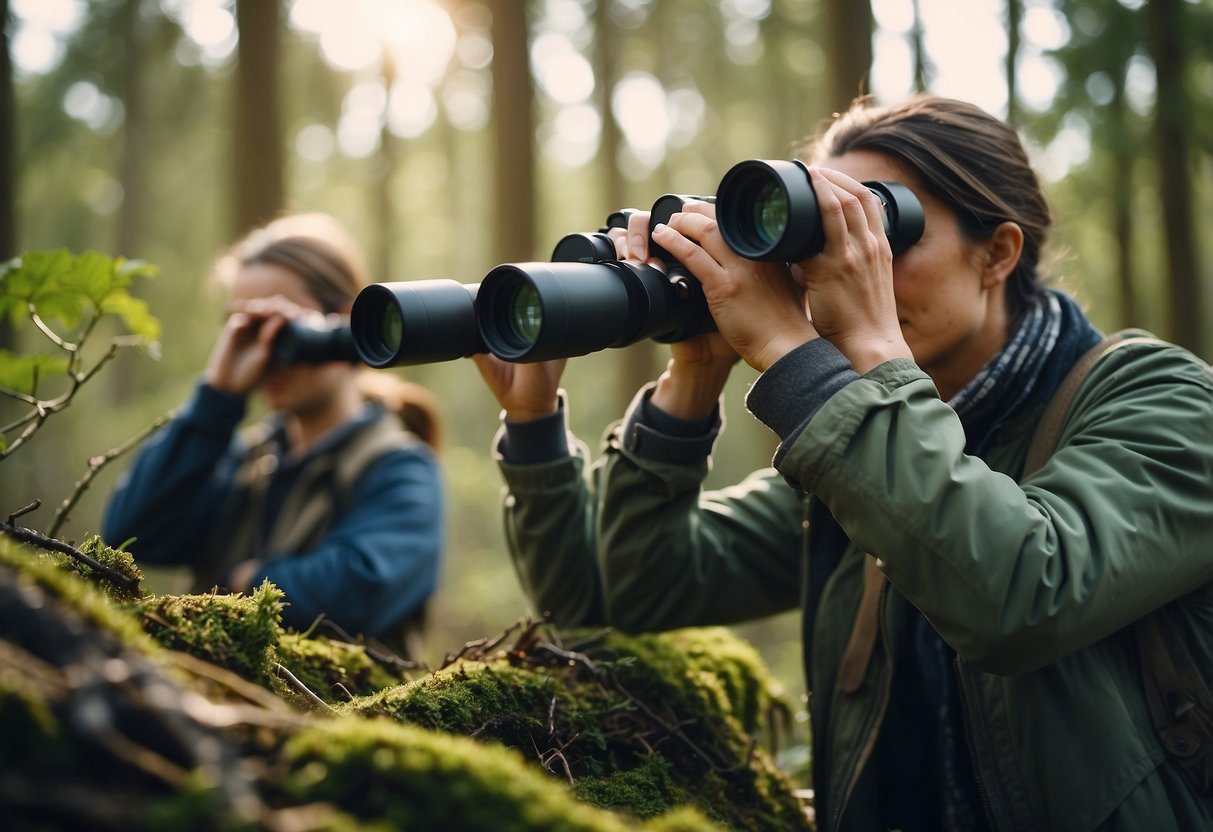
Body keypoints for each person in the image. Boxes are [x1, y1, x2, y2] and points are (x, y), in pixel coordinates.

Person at [473, 96, 1213, 830]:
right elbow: (635, 597)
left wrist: (823, 357)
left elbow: (1020, 595)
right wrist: (679, 381)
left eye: (879, 230)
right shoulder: (855, 460)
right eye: (823, 236)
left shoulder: (1162, 400)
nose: (847, 267)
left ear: (996, 254)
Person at [104, 213, 444, 658]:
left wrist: (245, 580)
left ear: (345, 321)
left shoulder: (400, 467)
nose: (265, 351)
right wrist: (218, 397)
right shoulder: (242, 461)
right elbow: (132, 534)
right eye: (243, 329)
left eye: (281, 326)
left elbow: (357, 592)